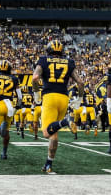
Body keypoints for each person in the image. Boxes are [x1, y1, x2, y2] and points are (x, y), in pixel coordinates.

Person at [32, 40, 84, 173]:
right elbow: (80, 82)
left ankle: (66, 121)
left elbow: (34, 78)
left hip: (50, 97)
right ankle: (48, 164)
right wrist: (80, 98)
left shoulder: (43, 60)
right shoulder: (69, 62)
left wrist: (37, 93)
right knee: (53, 133)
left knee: (45, 133)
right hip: (64, 98)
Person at [0, 60, 22, 160]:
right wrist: (18, 106)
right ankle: (4, 153)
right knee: (6, 133)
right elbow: (19, 96)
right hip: (9, 106)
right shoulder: (14, 78)